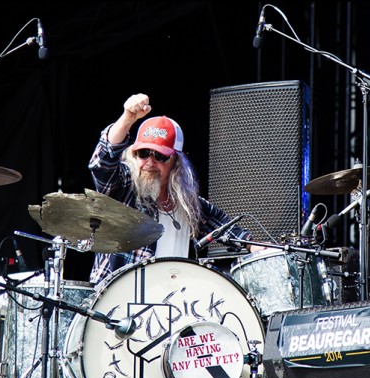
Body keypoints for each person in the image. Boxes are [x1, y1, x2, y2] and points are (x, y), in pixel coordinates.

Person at [88, 93, 264, 285]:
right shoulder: (124, 188)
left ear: (176, 163)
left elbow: (223, 225)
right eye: (143, 153)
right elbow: (101, 163)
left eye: (160, 156)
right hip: (118, 303)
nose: (149, 162)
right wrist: (127, 118)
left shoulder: (188, 204)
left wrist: (252, 245)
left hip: (172, 304)